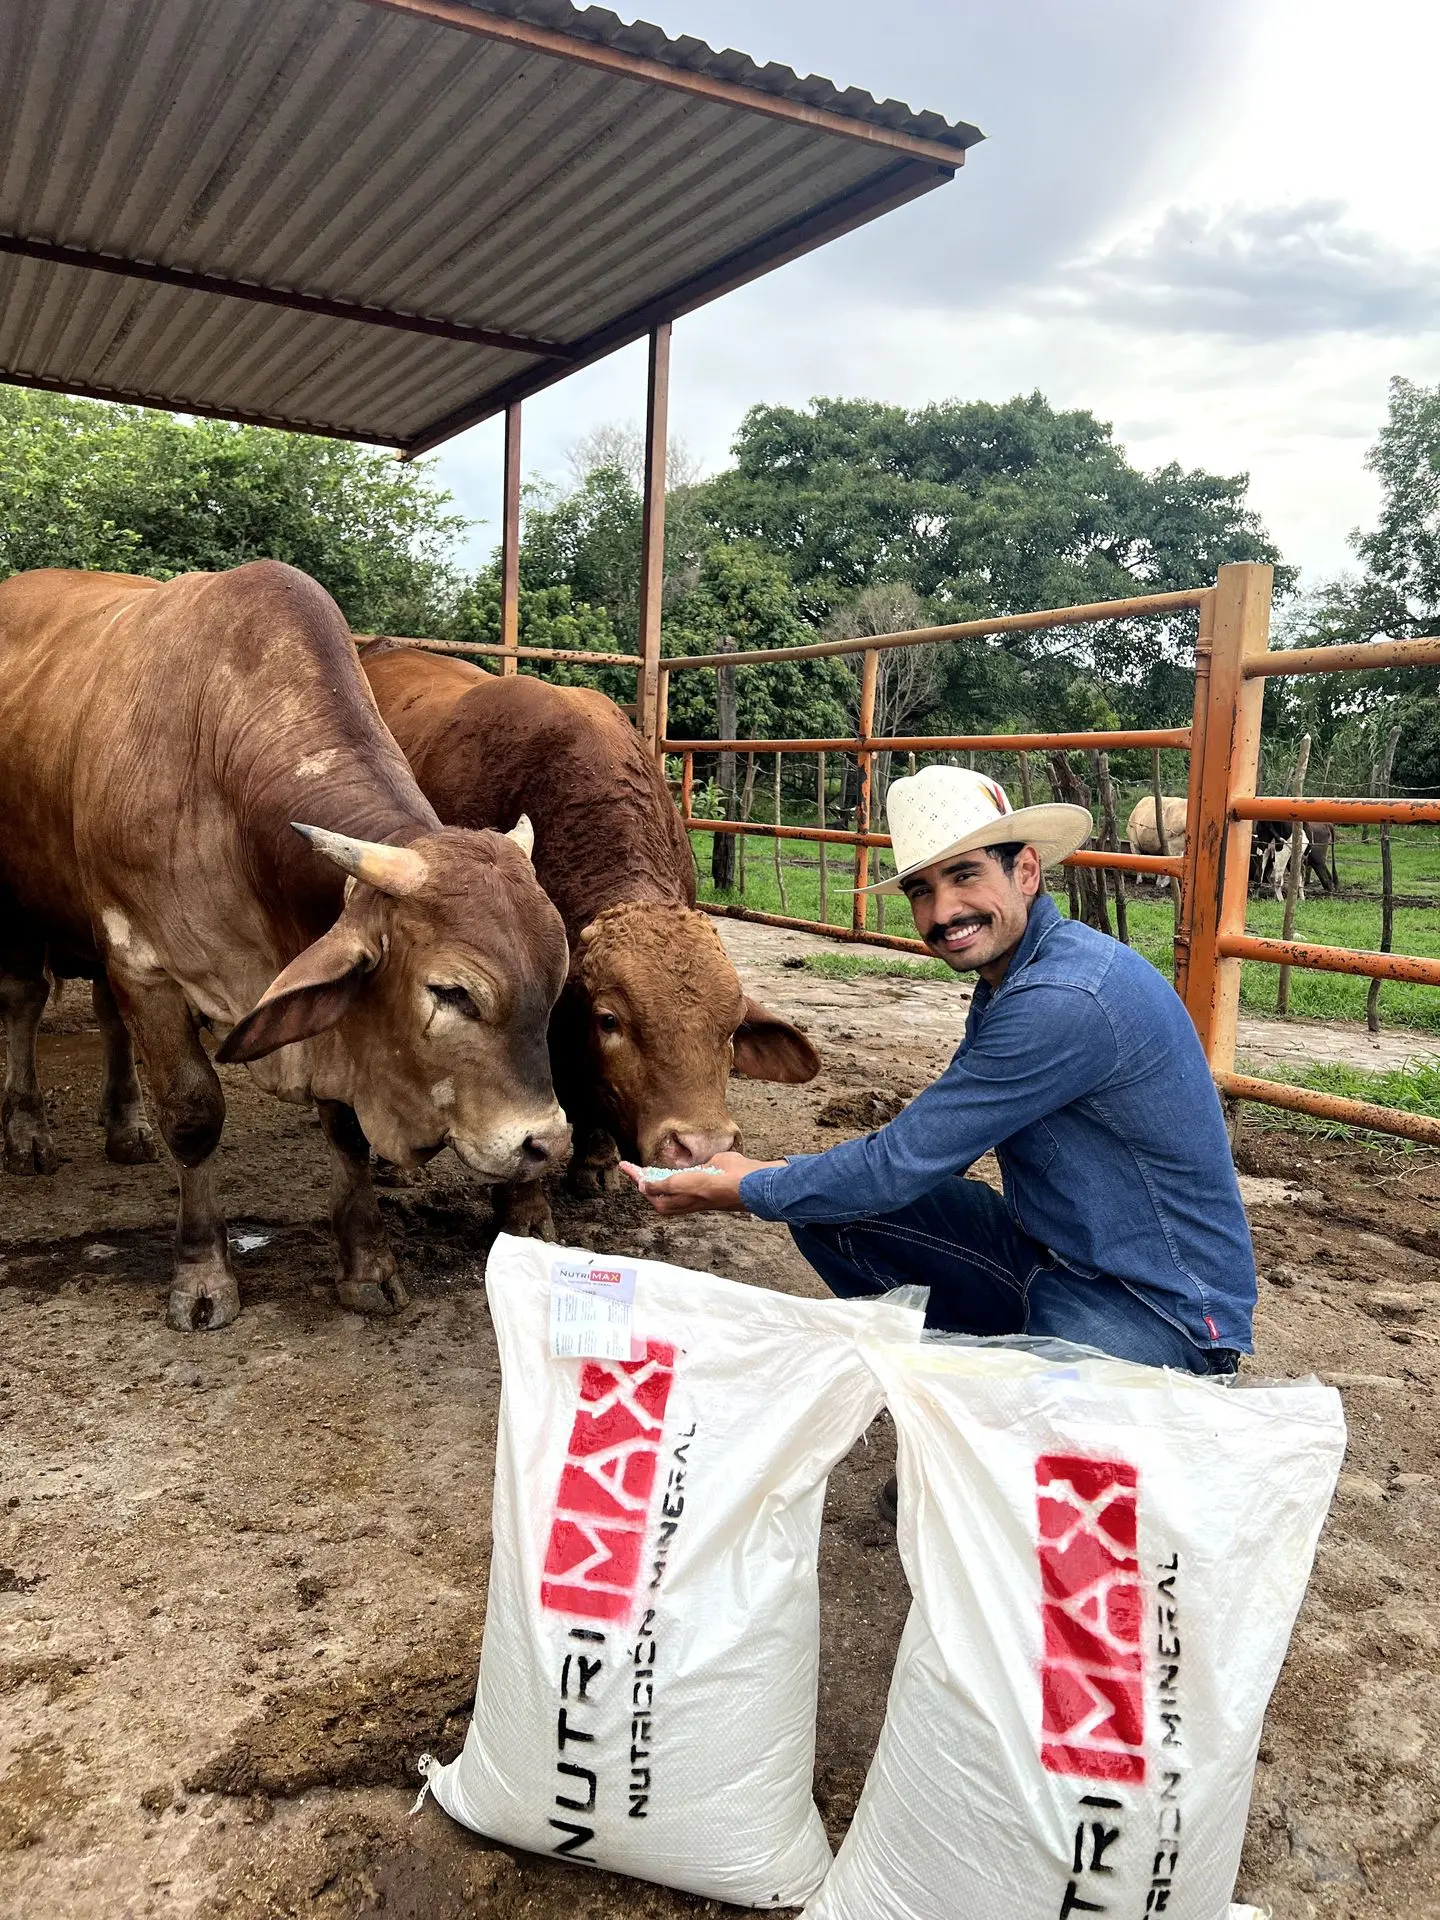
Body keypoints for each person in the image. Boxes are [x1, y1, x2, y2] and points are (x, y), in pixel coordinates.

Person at [624, 764, 1256, 1378]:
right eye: (921, 889)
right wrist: (775, 1180)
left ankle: (1018, 1382)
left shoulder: (1064, 999)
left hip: (1155, 1304)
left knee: (996, 1452)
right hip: (1050, 1258)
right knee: (826, 1205)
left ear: (1027, 871)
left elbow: (905, 1162)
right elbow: (930, 1152)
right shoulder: (1010, 982)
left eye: (964, 876)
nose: (943, 911)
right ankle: (964, 1370)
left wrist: (747, 1185)